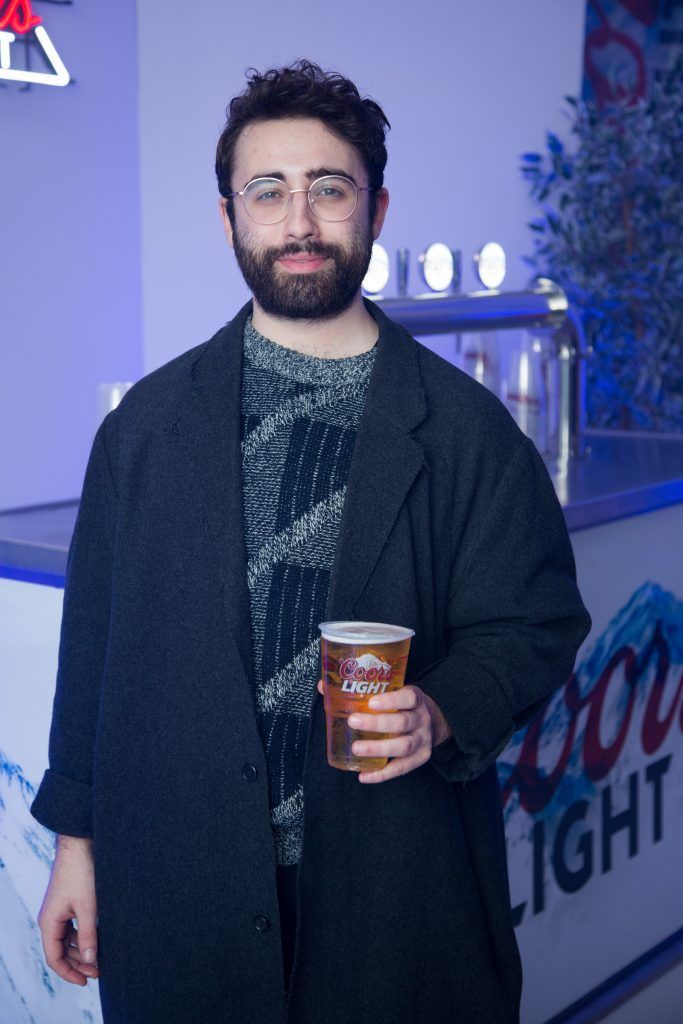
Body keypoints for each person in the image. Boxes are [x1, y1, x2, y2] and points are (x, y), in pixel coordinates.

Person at [31, 60, 591, 1024]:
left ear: (374, 211)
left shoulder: (465, 431)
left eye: (328, 190)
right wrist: (75, 849)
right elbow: (93, 653)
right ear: (228, 219)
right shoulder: (148, 430)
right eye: (268, 192)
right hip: (181, 890)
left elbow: (535, 622)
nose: (299, 222)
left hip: (395, 899)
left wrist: (444, 710)